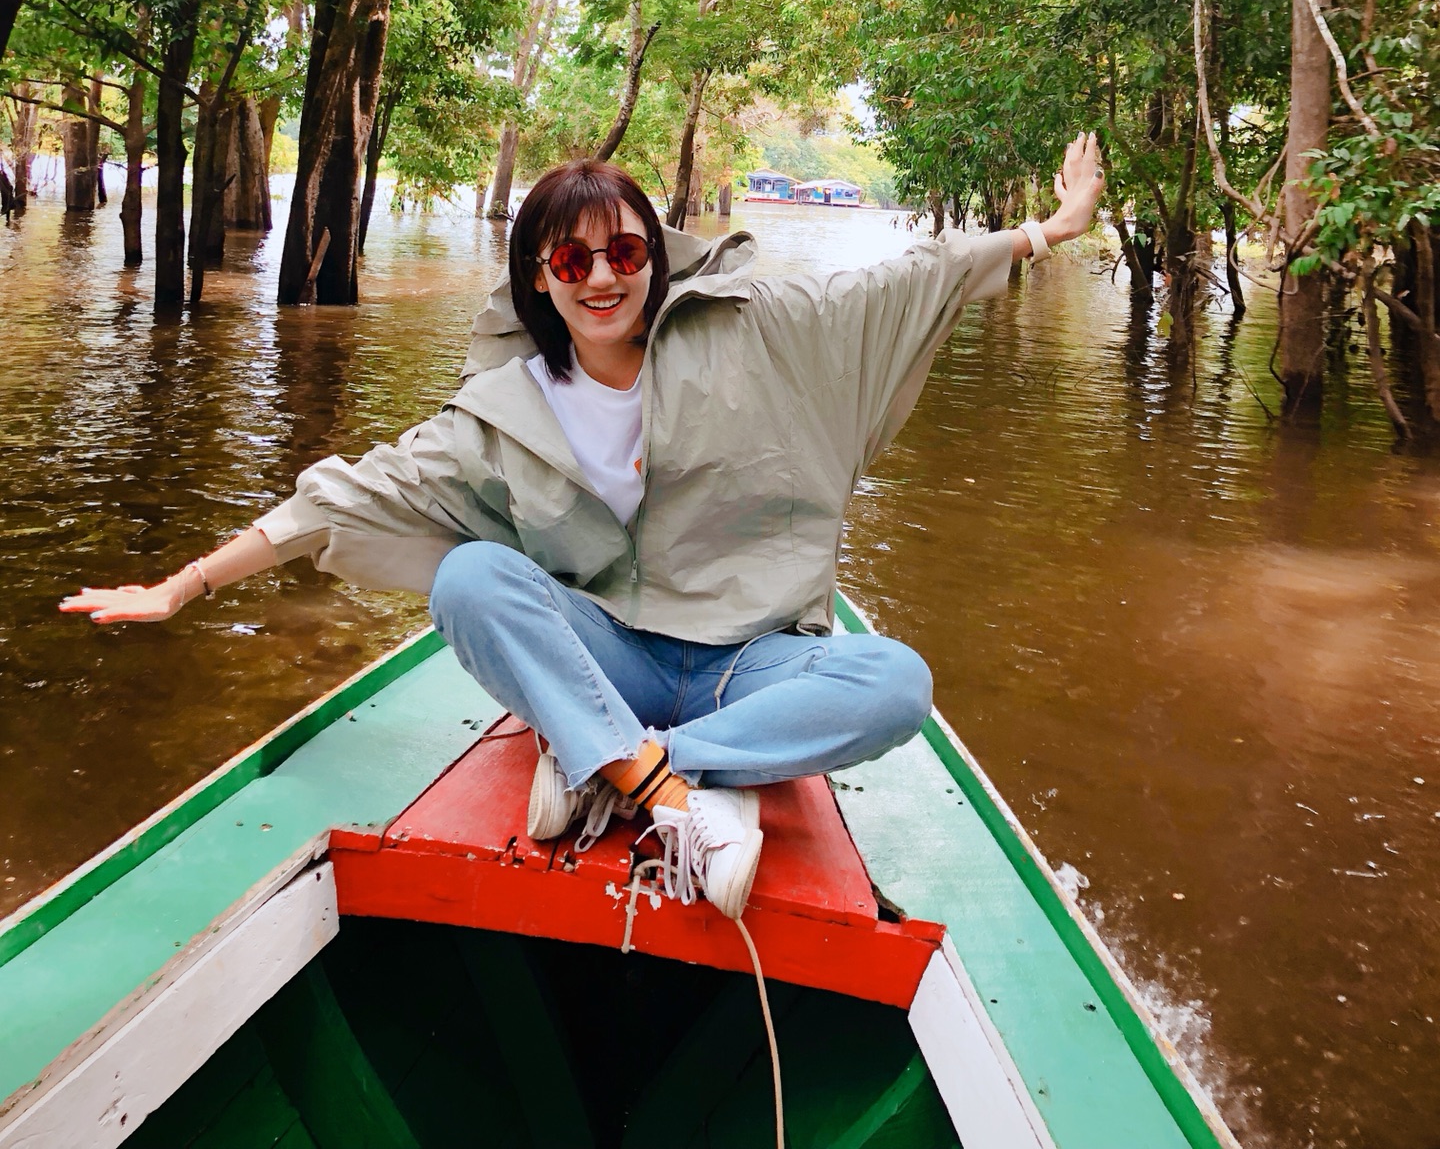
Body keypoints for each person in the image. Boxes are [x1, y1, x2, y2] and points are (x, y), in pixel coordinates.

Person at [63, 139, 1105, 920]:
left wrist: (1046, 232)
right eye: (571, 261)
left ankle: (614, 763)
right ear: (538, 279)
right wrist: (183, 586)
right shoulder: (503, 409)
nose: (602, 277)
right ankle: (660, 778)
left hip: (757, 661)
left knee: (897, 685)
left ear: (654, 255)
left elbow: (901, 281)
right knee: (471, 579)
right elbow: (341, 496)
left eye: (624, 251)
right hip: (617, 652)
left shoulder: (752, 326)